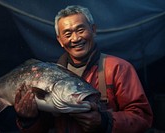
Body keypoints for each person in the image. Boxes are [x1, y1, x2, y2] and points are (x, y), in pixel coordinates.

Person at [14, 5, 153, 133]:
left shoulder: (118, 68)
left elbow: (142, 118)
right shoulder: (48, 76)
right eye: (67, 34)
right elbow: (43, 128)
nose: (75, 38)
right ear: (60, 40)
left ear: (93, 30)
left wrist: (105, 121)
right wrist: (28, 120)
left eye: (80, 30)